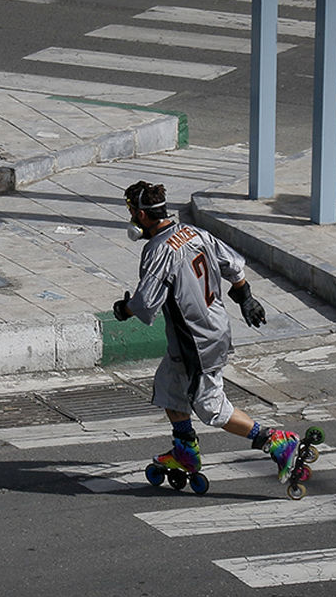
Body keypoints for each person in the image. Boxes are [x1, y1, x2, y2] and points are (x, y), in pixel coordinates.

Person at [112, 180, 301, 483]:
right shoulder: (195, 232)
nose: (132, 218)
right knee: (169, 386)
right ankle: (184, 449)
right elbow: (234, 266)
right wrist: (246, 297)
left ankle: (274, 440)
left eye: (133, 211)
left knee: (211, 407)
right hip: (212, 328)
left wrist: (124, 310)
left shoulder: (157, 251)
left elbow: (146, 302)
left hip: (197, 342)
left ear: (143, 216)